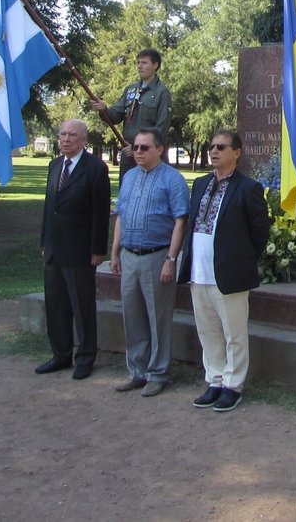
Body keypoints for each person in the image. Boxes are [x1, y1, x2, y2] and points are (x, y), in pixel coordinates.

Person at [178, 129, 271, 412]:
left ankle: (233, 385)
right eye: (211, 147)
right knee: (208, 332)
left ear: (237, 152)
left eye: (221, 146)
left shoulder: (248, 188)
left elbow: (260, 231)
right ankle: (214, 380)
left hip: (228, 273)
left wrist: (241, 259)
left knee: (234, 333)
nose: (214, 151)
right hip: (199, 272)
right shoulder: (201, 184)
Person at [108, 127, 188, 396]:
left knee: (158, 318)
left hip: (157, 256)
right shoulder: (129, 177)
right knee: (132, 316)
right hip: (129, 256)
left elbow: (180, 221)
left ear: (160, 149)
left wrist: (171, 259)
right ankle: (137, 371)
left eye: (144, 147)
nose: (138, 152)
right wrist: (114, 251)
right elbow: (120, 215)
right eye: (136, 147)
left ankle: (158, 373)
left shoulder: (172, 179)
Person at [36, 119, 111, 380]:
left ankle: (86, 357)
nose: (65, 139)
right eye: (62, 135)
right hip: (55, 248)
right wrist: (45, 241)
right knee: (56, 304)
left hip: (81, 250)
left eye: (72, 135)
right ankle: (60, 354)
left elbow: (101, 214)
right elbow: (50, 207)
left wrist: (98, 249)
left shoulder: (95, 168)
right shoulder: (55, 165)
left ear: (83, 140)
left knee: (82, 306)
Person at [91, 48, 172, 174]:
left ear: (155, 65)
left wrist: (138, 148)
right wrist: (103, 109)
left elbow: (162, 128)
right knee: (127, 190)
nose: (140, 66)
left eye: (144, 63)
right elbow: (115, 116)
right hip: (128, 154)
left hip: (149, 156)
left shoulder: (162, 92)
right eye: (138, 63)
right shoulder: (131, 90)